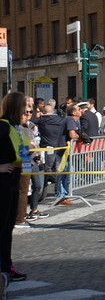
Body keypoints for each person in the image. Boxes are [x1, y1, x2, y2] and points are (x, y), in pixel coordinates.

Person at [0, 92, 30, 293]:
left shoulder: (17, 127)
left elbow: (23, 153)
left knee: (8, 227)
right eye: (24, 105)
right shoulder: (2, 126)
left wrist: (28, 167)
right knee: (1, 227)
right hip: (2, 181)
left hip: (14, 179)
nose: (26, 110)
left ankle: (6, 266)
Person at [55, 103, 82, 205]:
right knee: (64, 174)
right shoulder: (70, 119)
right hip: (64, 153)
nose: (81, 110)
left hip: (70, 152)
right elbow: (72, 134)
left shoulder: (76, 120)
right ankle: (61, 196)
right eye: (79, 109)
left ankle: (64, 195)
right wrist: (81, 137)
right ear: (74, 112)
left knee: (69, 174)